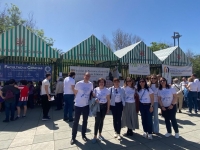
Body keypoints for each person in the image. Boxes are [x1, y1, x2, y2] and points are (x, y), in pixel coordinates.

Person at [71, 72, 93, 145]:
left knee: (85, 121)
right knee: (75, 122)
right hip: (78, 105)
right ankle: (73, 137)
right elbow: (75, 92)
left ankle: (83, 135)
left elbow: (91, 93)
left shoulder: (90, 84)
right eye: (86, 75)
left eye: (88, 76)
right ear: (84, 76)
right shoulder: (79, 83)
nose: (87, 77)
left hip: (86, 106)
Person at [92, 78, 110, 143]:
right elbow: (93, 97)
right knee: (97, 121)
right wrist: (95, 99)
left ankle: (100, 134)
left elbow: (108, 100)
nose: (101, 83)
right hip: (97, 107)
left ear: (104, 83)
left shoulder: (107, 90)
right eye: (100, 82)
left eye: (102, 82)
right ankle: (95, 136)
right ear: (98, 83)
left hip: (104, 107)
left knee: (102, 120)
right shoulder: (95, 89)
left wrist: (108, 109)